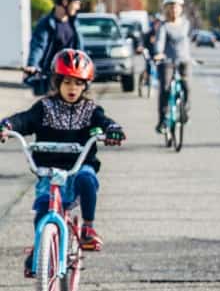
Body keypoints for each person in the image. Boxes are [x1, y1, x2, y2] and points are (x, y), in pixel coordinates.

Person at [0, 50, 126, 276]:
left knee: (88, 178)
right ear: (57, 82)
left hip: (78, 168)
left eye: (78, 83)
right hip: (48, 171)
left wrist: (112, 130)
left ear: (85, 86)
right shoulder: (44, 108)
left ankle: (87, 227)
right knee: (42, 208)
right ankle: (39, 249)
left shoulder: (90, 110)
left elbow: (104, 122)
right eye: (66, 82)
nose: (72, 88)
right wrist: (7, 125)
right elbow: (24, 120)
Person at [24, 0, 85, 96]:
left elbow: (80, 51)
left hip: (72, 77)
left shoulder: (74, 23)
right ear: (65, 2)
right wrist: (32, 65)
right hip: (52, 78)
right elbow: (38, 46)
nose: (78, 7)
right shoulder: (46, 24)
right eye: (76, 3)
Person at [153, 0, 191, 132]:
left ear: (181, 9)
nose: (174, 10)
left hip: (184, 60)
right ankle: (162, 120)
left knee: (187, 87)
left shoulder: (186, 24)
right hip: (167, 61)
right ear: (166, 9)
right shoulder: (163, 26)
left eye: (176, 7)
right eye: (171, 7)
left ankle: (185, 111)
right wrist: (158, 53)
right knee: (165, 88)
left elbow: (188, 41)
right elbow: (159, 42)